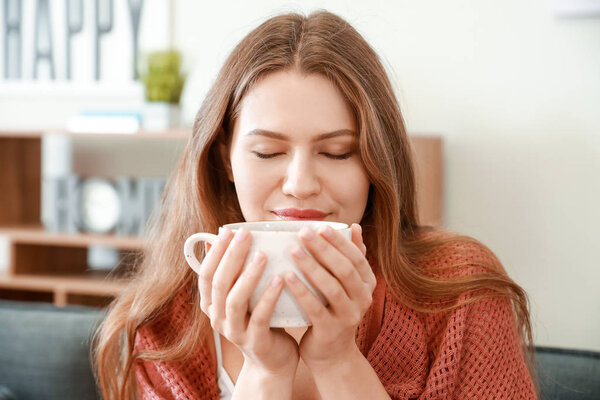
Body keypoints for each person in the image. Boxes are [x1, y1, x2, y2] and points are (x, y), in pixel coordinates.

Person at [93, 10, 538, 400]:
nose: (300, 185)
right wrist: (266, 374)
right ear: (224, 158)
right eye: (267, 153)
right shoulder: (164, 326)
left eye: (337, 152)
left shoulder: (461, 291)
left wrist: (338, 362)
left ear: (375, 163)